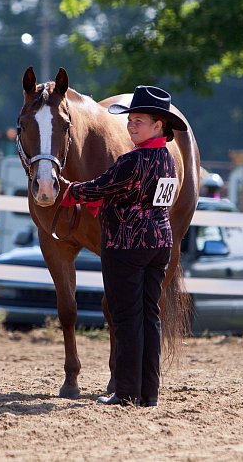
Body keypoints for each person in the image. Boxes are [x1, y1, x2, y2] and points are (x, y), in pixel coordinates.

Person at [60, 85, 188, 407]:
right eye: (130, 120)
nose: (131, 126)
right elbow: (137, 197)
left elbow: (101, 187)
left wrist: (71, 190)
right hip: (159, 242)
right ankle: (149, 392)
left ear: (159, 125)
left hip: (126, 245)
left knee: (126, 318)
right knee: (149, 317)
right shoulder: (167, 162)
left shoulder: (132, 161)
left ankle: (127, 391)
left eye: (139, 121)